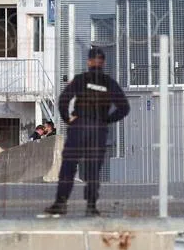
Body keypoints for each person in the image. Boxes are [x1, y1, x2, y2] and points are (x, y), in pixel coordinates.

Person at [41, 47, 130, 218]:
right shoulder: (109, 82)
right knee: (92, 168)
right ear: (103, 62)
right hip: (98, 129)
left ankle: (61, 203)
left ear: (89, 62)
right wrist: (106, 120)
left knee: (68, 166)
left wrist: (68, 119)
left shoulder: (82, 79)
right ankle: (91, 206)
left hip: (79, 127)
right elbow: (124, 108)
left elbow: (64, 100)